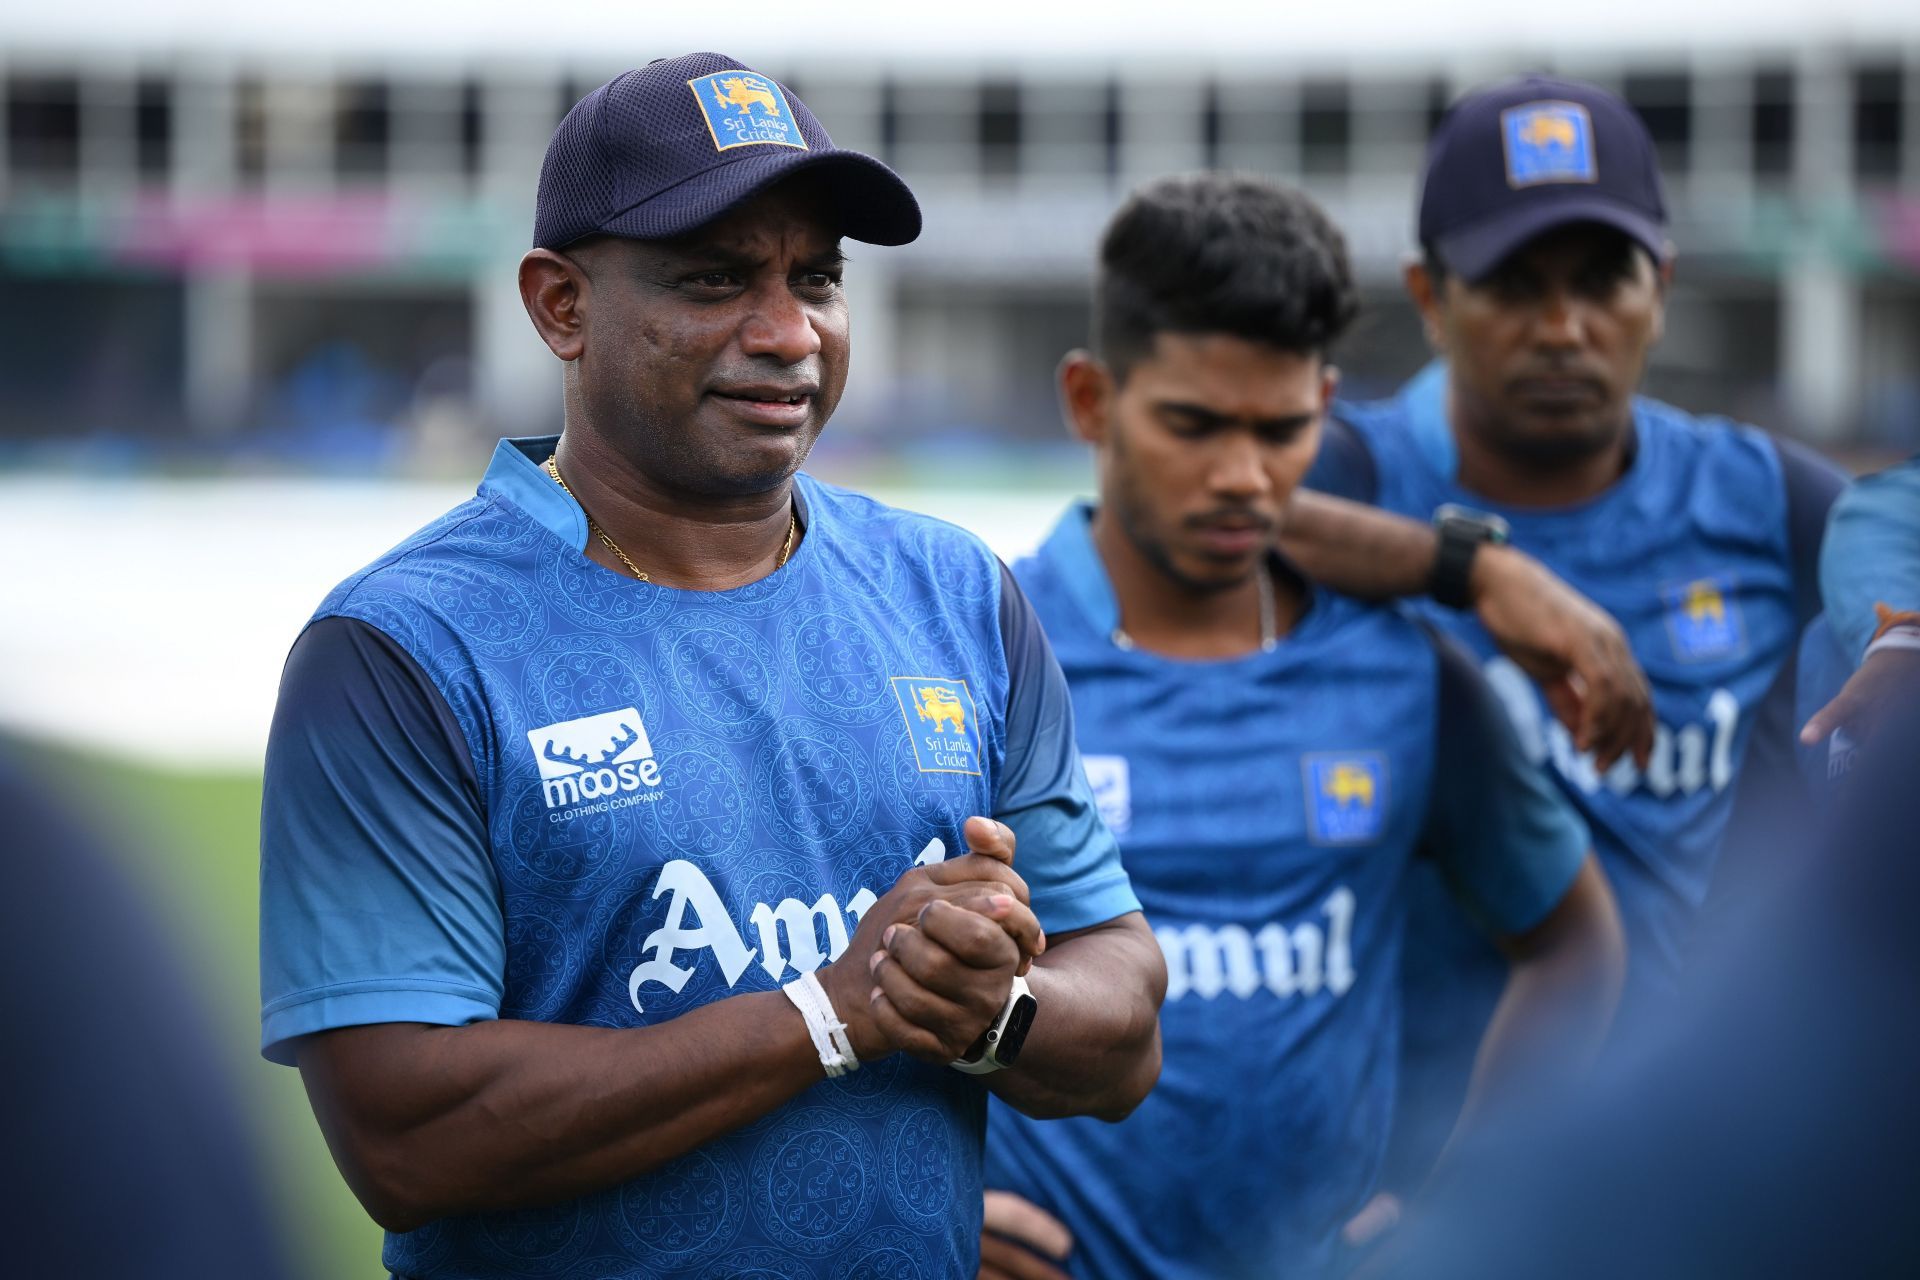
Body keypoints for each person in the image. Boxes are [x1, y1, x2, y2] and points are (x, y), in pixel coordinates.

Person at [257, 53, 1165, 1280]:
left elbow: (1123, 1014)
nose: (789, 332)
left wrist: (987, 1004)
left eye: (818, 278)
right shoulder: (403, 649)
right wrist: (830, 1012)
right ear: (559, 304)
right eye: (715, 279)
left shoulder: (954, 592)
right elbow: (405, 1129)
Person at [978, 174, 1625, 1280]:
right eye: (1193, 424)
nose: (1243, 475)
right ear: (1091, 401)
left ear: (1325, 404)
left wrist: (1458, 1198)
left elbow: (1574, 946)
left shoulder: (1404, 669)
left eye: (1281, 430)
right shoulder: (979, 651)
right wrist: (945, 1198)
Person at [1301, 75, 1849, 1188]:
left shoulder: (1764, 500)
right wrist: (1473, 567)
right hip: (1390, 1167)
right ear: (1431, 295)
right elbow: (1182, 517)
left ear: (1661, 288)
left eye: (1602, 279)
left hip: (1680, 1162)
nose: (1563, 327)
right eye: (1513, 283)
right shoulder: (1348, 474)